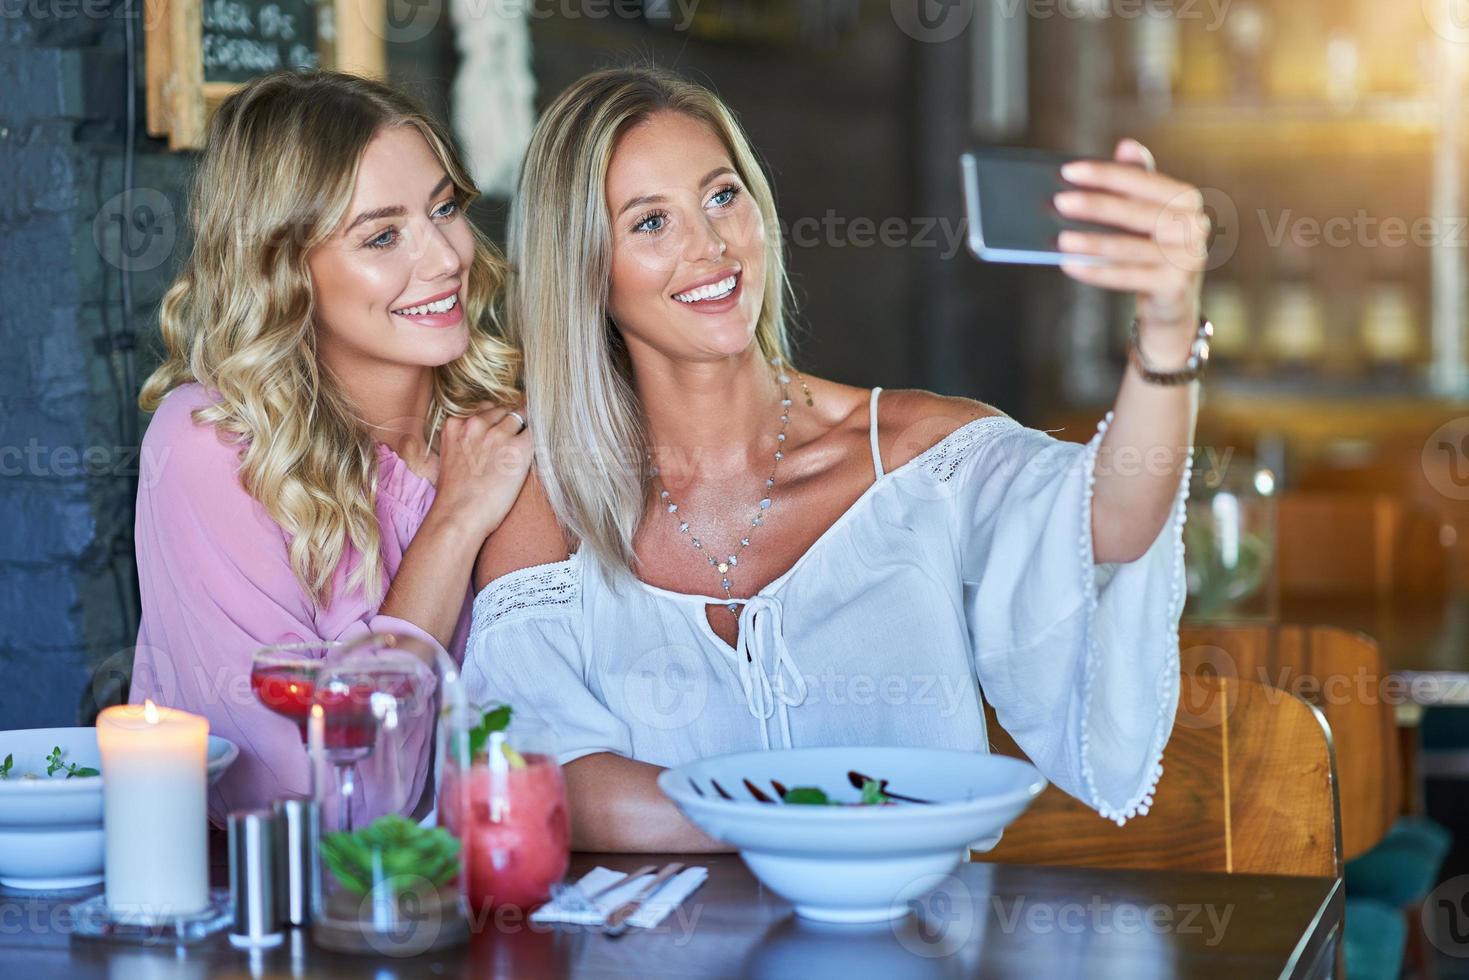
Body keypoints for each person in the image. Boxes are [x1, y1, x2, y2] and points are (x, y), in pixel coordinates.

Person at [469, 67, 1208, 852]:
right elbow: (538, 775)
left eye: (722, 196)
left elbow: (1116, 521)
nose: (712, 246)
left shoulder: (915, 454)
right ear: (583, 265)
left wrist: (1167, 329)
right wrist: (817, 814)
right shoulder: (548, 499)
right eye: (651, 222)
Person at [130, 70, 532, 825]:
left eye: (444, 209)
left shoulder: (502, 430)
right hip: (283, 924)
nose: (447, 258)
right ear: (283, 270)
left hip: (508, 898)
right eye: (382, 236)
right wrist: (452, 525)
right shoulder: (213, 448)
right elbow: (314, 801)